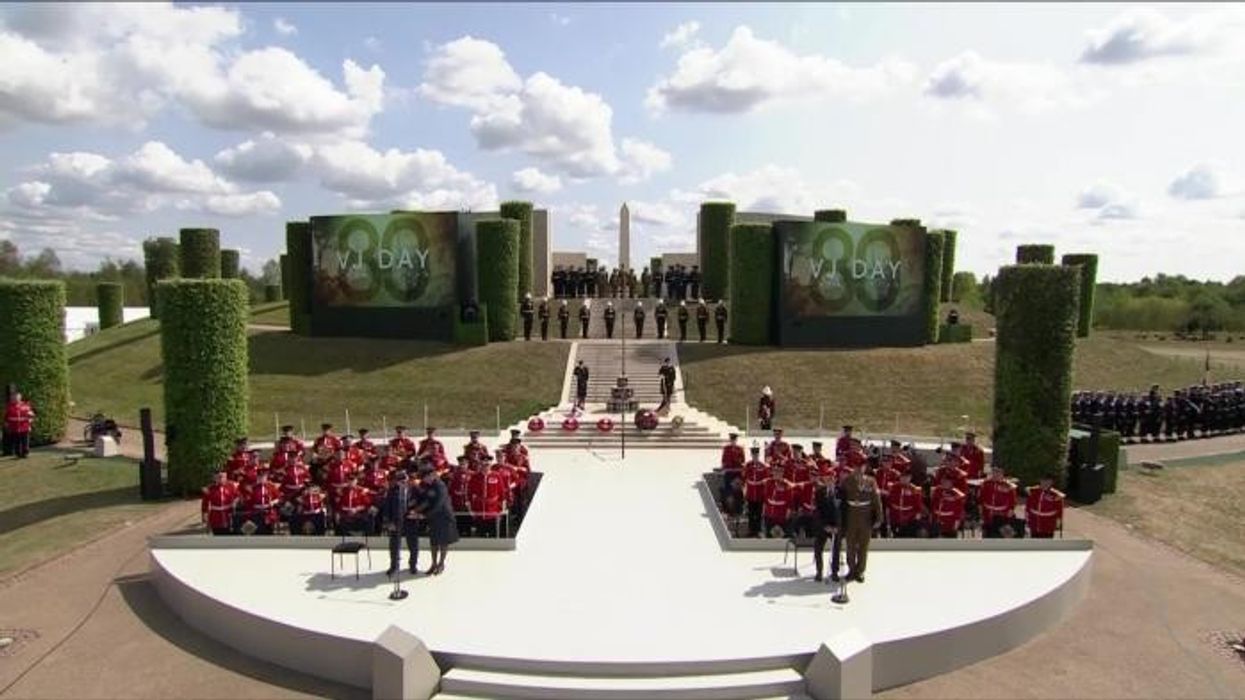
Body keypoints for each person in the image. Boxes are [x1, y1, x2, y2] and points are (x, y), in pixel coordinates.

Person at [835, 455, 883, 583]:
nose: (858, 469)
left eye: (861, 466)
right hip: (851, 515)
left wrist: (879, 517)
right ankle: (851, 570)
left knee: (863, 546)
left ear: (865, 467)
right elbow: (840, 498)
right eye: (856, 466)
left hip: (865, 516)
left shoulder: (871, 481)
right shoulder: (847, 480)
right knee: (850, 545)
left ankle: (860, 571)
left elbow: (876, 500)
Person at [417, 462, 459, 574]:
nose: (424, 480)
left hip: (444, 517)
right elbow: (427, 501)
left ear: (432, 475)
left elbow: (439, 504)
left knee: (443, 542)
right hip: (434, 517)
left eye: (425, 477)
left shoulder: (440, 485)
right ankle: (433, 563)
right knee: (434, 542)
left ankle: (441, 563)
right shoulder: (428, 486)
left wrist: (425, 515)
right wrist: (416, 510)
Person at [380, 469, 421, 576]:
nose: (403, 482)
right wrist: (389, 522)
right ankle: (394, 566)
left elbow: (421, 503)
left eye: (404, 479)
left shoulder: (414, 490)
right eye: (400, 480)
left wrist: (417, 512)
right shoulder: (392, 491)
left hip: (410, 521)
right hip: (396, 521)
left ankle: (413, 565)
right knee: (394, 546)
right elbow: (387, 507)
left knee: (413, 545)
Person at [807, 470, 840, 582]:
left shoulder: (841, 492)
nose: (829, 480)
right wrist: (825, 526)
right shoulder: (819, 492)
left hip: (836, 527)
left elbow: (843, 511)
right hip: (823, 526)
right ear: (824, 479)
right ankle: (819, 572)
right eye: (827, 478)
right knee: (818, 548)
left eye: (832, 478)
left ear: (835, 479)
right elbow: (817, 512)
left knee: (836, 549)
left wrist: (837, 527)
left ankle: (834, 572)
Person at [979, 465, 1019, 538]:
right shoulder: (986, 484)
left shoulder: (1008, 486)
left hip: (1001, 516)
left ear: (1002, 474)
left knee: (999, 537)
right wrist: (981, 512)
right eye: (994, 472)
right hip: (987, 515)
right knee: (987, 536)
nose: (996, 474)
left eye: (998, 472)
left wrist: (1010, 511)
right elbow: (981, 498)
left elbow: (1012, 501)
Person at [886, 471, 926, 538]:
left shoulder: (915, 490)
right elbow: (888, 505)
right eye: (903, 477)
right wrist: (888, 523)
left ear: (910, 478)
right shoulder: (893, 488)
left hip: (909, 521)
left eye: (907, 477)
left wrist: (915, 520)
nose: (904, 479)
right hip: (895, 519)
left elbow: (918, 508)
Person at [1025, 474, 1064, 539]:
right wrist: (1027, 519)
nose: (1045, 483)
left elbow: (1059, 509)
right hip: (1034, 523)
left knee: (1046, 545)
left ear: (1052, 483)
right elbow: (1028, 506)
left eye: (1048, 481)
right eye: (1043, 481)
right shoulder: (1033, 491)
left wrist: (1058, 522)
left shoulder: (1056, 495)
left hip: (1048, 525)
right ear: (1040, 481)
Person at [201, 470, 239, 535]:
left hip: (228, 515)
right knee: (218, 535)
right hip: (216, 517)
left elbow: (237, 496)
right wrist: (205, 516)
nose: (221, 479)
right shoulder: (210, 489)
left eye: (223, 477)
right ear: (215, 478)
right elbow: (205, 504)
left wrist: (235, 502)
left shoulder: (231, 486)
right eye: (219, 477)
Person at [742, 445, 768, 537]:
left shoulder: (763, 466)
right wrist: (744, 491)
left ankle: (758, 531)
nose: (755, 456)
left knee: (759, 514)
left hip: (759, 494)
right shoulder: (748, 465)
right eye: (753, 454)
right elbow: (744, 479)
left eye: (756, 454)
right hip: (751, 493)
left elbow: (766, 480)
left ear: (758, 454)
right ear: (751, 455)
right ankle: (751, 531)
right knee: (751, 514)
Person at [762, 463, 793, 537]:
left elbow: (789, 502)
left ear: (782, 473)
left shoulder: (786, 485)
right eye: (775, 471)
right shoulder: (769, 483)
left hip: (781, 517)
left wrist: (787, 515)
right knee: (769, 536)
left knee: (782, 537)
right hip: (770, 515)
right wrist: (764, 512)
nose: (776, 474)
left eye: (779, 472)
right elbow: (766, 499)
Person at [4, 391, 35, 459]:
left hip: (24, 427)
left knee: (25, 441)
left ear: (20, 398)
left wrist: (30, 422)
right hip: (14, 427)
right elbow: (6, 417)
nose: (14, 399)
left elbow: (31, 415)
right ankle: (18, 453)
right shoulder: (9, 407)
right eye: (13, 397)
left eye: (16, 397)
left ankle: (25, 453)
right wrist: (7, 425)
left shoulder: (26, 405)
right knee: (17, 441)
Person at [718, 432, 745, 510]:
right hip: (729, 472)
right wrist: (723, 468)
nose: (733, 441)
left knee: (737, 491)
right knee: (728, 491)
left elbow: (743, 460)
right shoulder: (726, 448)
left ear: (736, 440)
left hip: (737, 473)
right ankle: (728, 509)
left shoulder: (740, 449)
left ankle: (739, 508)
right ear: (730, 440)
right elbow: (723, 460)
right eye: (731, 439)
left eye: (734, 440)